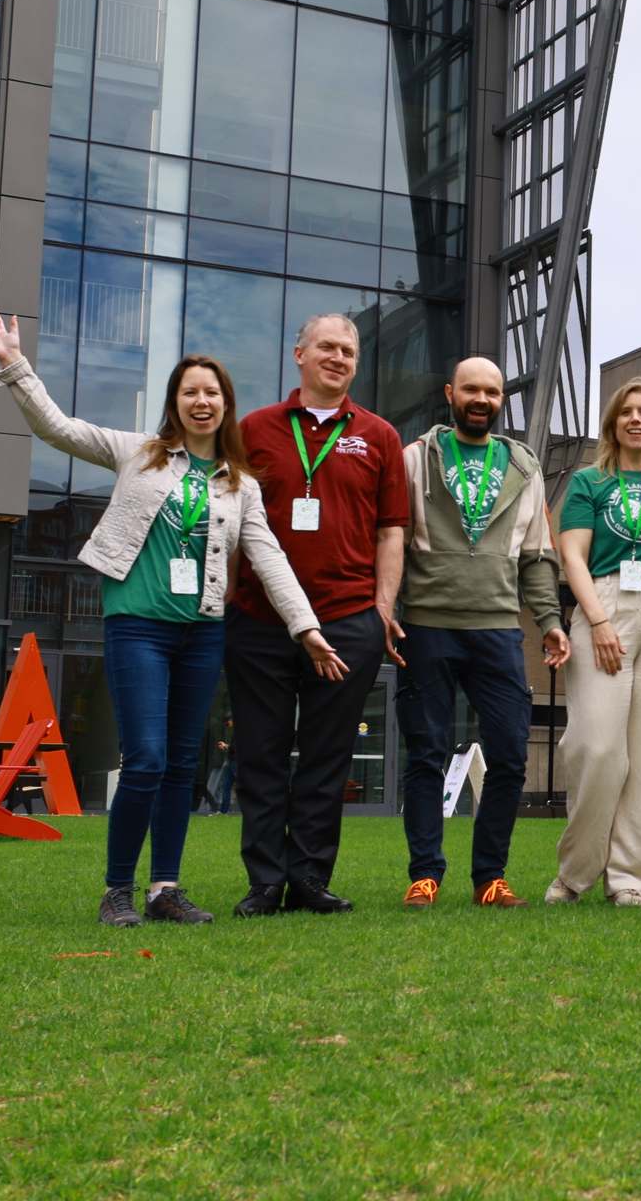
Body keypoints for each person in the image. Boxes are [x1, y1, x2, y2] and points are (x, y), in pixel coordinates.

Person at [0, 312, 345, 928]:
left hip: (201, 632)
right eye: (190, 392)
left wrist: (306, 629)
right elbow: (58, 428)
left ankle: (164, 890)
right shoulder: (137, 454)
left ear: (226, 406)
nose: (202, 401)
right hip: (138, 625)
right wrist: (15, 366)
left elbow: (271, 559)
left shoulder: (240, 486)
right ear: (176, 403)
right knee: (145, 759)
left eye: (213, 393)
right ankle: (117, 889)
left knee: (180, 763)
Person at [224, 314, 409, 918]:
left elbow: (391, 531)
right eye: (326, 347)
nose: (337, 358)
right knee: (261, 754)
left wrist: (381, 609)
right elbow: (227, 520)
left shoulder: (379, 436)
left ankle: (308, 879)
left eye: (348, 351)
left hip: (347, 616)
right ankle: (263, 882)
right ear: (299, 353)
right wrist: (224, 592)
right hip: (259, 619)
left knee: (328, 757)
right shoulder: (253, 430)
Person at [395, 356, 570, 910]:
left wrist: (549, 622)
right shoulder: (415, 459)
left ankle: (489, 878)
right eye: (471, 389)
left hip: (496, 630)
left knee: (511, 756)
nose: (481, 399)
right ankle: (425, 874)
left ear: (500, 400)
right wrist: (385, 607)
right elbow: (390, 541)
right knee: (425, 754)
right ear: (451, 393)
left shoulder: (524, 465)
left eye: (491, 392)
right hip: (427, 625)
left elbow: (537, 555)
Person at [547, 377, 641, 907]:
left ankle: (632, 878)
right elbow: (572, 558)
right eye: (627, 412)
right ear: (613, 422)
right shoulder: (589, 483)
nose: (636, 419)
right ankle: (575, 873)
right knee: (597, 746)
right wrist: (599, 621)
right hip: (603, 606)